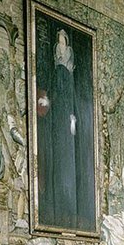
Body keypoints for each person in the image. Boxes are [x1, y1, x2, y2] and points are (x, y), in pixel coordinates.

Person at [37, 25, 94, 232]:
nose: (61, 44)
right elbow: (49, 96)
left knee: (67, 165)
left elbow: (73, 104)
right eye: (58, 41)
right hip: (57, 125)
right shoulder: (55, 73)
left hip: (67, 126)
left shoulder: (68, 76)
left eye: (64, 41)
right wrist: (45, 101)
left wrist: (72, 120)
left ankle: (68, 209)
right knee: (57, 163)